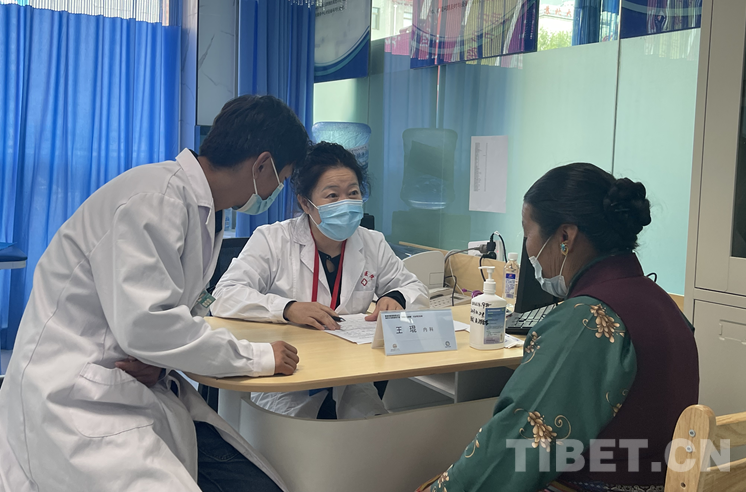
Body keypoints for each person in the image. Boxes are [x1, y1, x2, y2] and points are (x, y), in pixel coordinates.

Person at [0, 95, 309, 492]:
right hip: (75, 395)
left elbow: (164, 320)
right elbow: (147, 326)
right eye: (281, 178)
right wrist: (259, 357)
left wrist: (159, 364)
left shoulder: (200, 209)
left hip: (134, 381)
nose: (276, 190)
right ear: (261, 164)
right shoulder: (155, 199)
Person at [417, 163, 699, 492]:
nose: (528, 248)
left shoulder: (588, 321)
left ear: (565, 236)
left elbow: (515, 445)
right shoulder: (663, 304)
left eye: (528, 234)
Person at [212, 141, 429, 419]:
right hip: (289, 376)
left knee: (373, 433)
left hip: (351, 374)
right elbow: (224, 295)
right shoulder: (272, 239)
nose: (345, 203)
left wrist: (396, 298)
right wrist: (287, 308)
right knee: (296, 438)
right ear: (306, 203)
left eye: (353, 193)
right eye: (332, 195)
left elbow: (414, 288)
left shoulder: (372, 242)